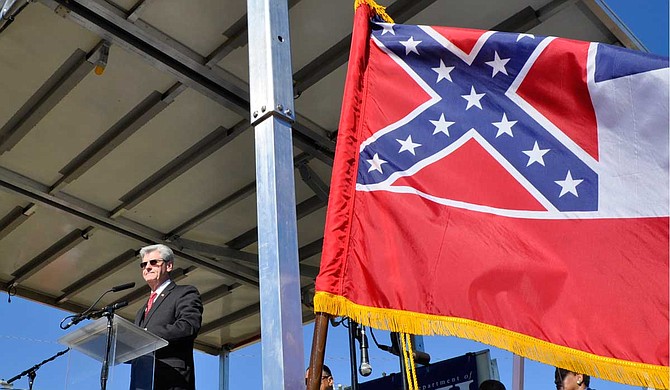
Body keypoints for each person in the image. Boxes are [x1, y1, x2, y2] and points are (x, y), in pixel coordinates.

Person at [130, 244, 203, 390]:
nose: (147, 267)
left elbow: (188, 326)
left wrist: (146, 335)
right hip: (142, 384)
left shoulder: (184, 293)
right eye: (143, 264)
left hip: (172, 380)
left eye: (153, 262)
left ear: (169, 266)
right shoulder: (141, 311)